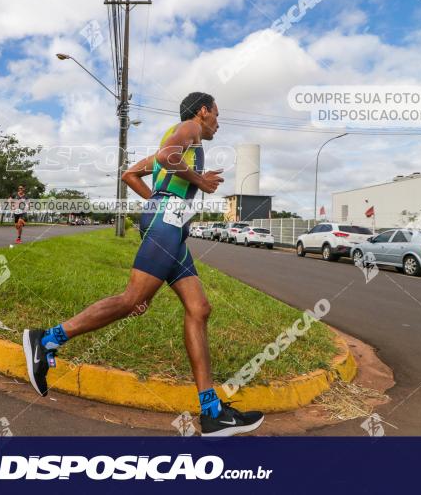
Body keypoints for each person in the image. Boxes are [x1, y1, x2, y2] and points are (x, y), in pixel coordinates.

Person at [22, 92, 264, 437]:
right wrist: (197, 183)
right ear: (203, 111)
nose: (218, 123)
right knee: (133, 300)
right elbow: (167, 157)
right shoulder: (188, 129)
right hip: (167, 223)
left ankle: (211, 412)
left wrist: (158, 203)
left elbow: (131, 174)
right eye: (217, 114)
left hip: (171, 225)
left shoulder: (181, 142)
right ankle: (46, 339)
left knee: (199, 308)